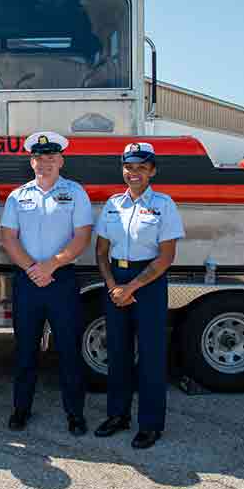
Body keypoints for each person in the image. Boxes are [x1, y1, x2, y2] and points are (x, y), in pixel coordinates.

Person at [0, 131, 92, 435]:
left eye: (51, 157)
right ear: (32, 161)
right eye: (40, 158)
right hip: (28, 280)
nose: (45, 163)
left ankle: (75, 414)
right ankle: (20, 409)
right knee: (25, 350)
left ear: (61, 160)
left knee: (68, 349)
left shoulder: (75, 192)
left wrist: (51, 265)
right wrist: (32, 268)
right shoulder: (18, 196)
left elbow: (82, 236)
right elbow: (8, 238)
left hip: (61, 278)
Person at [93, 142, 184, 449]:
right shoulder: (112, 204)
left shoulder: (165, 205)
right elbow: (101, 251)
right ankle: (117, 416)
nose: (134, 173)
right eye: (129, 167)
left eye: (141, 167)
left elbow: (166, 257)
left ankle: (150, 424)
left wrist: (130, 288)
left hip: (149, 282)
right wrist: (111, 286)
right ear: (123, 169)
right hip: (115, 280)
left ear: (152, 171)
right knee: (117, 353)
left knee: (150, 356)